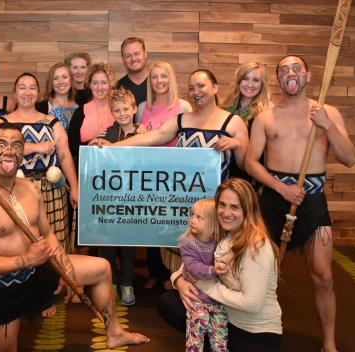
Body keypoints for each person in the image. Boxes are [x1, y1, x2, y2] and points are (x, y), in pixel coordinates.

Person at [0, 122, 150, 351]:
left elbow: (47, 234)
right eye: (1, 144)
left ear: (22, 153)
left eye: (16, 145)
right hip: (2, 287)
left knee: (102, 269)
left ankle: (115, 333)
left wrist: (62, 262)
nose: (9, 151)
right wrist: (26, 260)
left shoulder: (29, 189)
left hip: (38, 271)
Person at [245, 55, 355, 352]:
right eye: (284, 70)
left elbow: (350, 158)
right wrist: (281, 188)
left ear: (308, 76)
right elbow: (251, 162)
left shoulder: (328, 113)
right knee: (265, 273)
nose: (290, 73)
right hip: (273, 200)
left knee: (323, 276)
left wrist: (328, 126)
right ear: (278, 80)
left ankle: (329, 344)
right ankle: (257, 333)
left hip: (312, 200)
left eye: (296, 68)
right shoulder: (266, 117)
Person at [97, 68, 249, 274]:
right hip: (186, 203)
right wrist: (112, 147)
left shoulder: (233, 122)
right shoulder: (182, 119)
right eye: (191, 88)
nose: (196, 91)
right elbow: (154, 136)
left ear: (214, 87)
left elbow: (245, 165)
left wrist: (237, 144)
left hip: (217, 205)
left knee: (214, 260)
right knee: (187, 262)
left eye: (201, 86)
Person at [167, 178, 282, 352]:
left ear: (248, 209)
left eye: (234, 207)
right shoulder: (223, 233)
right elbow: (189, 266)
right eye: (222, 205)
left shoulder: (257, 246)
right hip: (225, 316)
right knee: (169, 303)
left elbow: (252, 303)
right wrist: (179, 280)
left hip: (255, 330)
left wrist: (204, 285)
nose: (226, 213)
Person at [0, 72, 78, 254]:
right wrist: (37, 147)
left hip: (51, 189)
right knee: (21, 239)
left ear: (38, 93)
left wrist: (75, 188)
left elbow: (64, 156)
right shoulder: (2, 122)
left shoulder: (52, 122)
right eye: (22, 87)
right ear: (15, 93)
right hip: (14, 189)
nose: (27, 92)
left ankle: (58, 271)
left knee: (54, 240)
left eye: (32, 88)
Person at [137, 61, 192, 290]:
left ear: (171, 79)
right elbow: (136, 140)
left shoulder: (183, 106)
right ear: (150, 82)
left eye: (164, 76)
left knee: (173, 226)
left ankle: (174, 274)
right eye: (155, 77)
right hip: (148, 176)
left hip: (174, 178)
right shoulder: (143, 107)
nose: (159, 81)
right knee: (151, 224)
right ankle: (155, 273)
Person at [93, 88, 145, 306]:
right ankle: (110, 281)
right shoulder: (107, 133)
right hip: (109, 197)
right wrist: (94, 144)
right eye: (117, 110)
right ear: (112, 113)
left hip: (133, 197)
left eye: (126, 109)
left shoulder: (143, 133)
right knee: (107, 242)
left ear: (134, 109)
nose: (122, 113)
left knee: (128, 242)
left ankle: (127, 281)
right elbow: (94, 157)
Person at [178, 198, 227, 352]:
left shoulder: (220, 242)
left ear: (212, 222)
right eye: (192, 215)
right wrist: (212, 271)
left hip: (217, 300)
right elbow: (193, 267)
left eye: (199, 217)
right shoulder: (187, 243)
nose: (192, 220)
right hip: (196, 296)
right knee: (197, 328)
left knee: (219, 335)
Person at [223, 61, 271, 183]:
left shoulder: (268, 112)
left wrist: (264, 185)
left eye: (256, 80)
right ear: (238, 80)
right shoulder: (225, 108)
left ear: (262, 84)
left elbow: (272, 153)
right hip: (226, 177)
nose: (250, 84)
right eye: (245, 78)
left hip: (252, 180)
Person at [67, 62, 116, 168]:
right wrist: (91, 142)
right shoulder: (80, 111)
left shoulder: (119, 109)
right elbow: (71, 146)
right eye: (95, 83)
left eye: (104, 82)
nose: (99, 87)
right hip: (87, 169)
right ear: (89, 85)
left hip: (115, 168)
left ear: (110, 84)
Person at [36, 62, 79, 131]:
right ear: (51, 82)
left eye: (64, 77)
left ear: (71, 80)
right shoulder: (43, 107)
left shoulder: (79, 104)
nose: (60, 82)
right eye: (55, 78)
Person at [117, 37, 149, 106]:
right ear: (123, 59)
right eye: (128, 56)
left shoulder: (158, 84)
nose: (133, 59)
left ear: (145, 54)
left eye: (137, 54)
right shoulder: (118, 89)